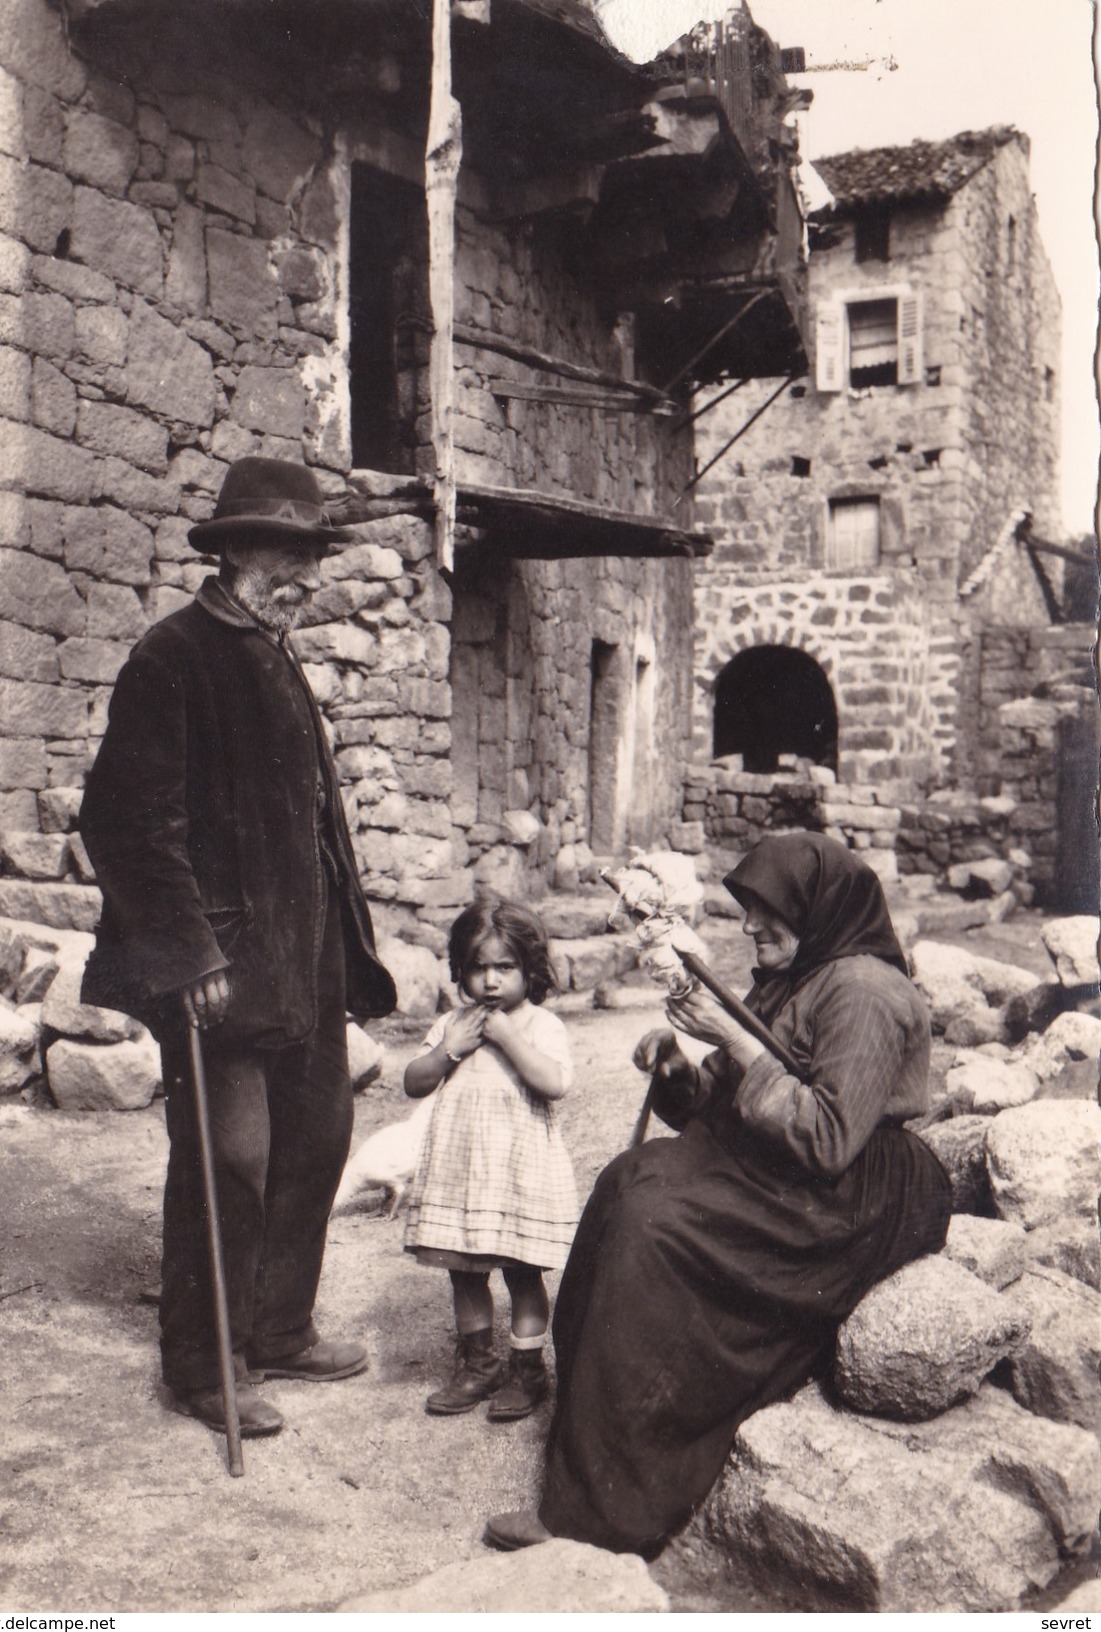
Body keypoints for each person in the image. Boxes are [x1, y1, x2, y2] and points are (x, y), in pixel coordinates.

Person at [484, 832, 952, 1555]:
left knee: (655, 1224)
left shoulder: (862, 992)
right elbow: (730, 1101)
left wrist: (733, 1043)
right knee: (625, 1182)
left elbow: (827, 1137)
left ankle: (603, 1513)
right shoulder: (795, 971)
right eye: (747, 909)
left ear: (816, 909)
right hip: (791, 1172)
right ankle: (594, 1431)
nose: (747, 927)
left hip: (852, 1196)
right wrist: (676, 1070)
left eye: (766, 912)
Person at [79, 455, 396, 1439]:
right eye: (292, 553)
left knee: (318, 1140)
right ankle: (202, 1360)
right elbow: (127, 822)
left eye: (314, 554)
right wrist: (186, 957)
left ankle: (279, 1328)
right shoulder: (172, 657)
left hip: (305, 959)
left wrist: (343, 949)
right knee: (231, 1159)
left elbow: (308, 823)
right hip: (220, 970)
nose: (308, 574)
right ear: (238, 551)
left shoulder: (274, 648)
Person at [403, 898, 579, 1421]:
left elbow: (555, 1083)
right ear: (461, 970)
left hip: (518, 1175)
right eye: (478, 968)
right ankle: (478, 1364)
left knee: (523, 1274)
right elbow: (414, 1082)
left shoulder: (541, 1025)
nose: (491, 981)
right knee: (465, 1273)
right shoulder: (454, 1024)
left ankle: (528, 1370)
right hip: (463, 1177)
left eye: (505, 968)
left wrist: (506, 1037)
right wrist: (448, 1050)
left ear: (530, 969)